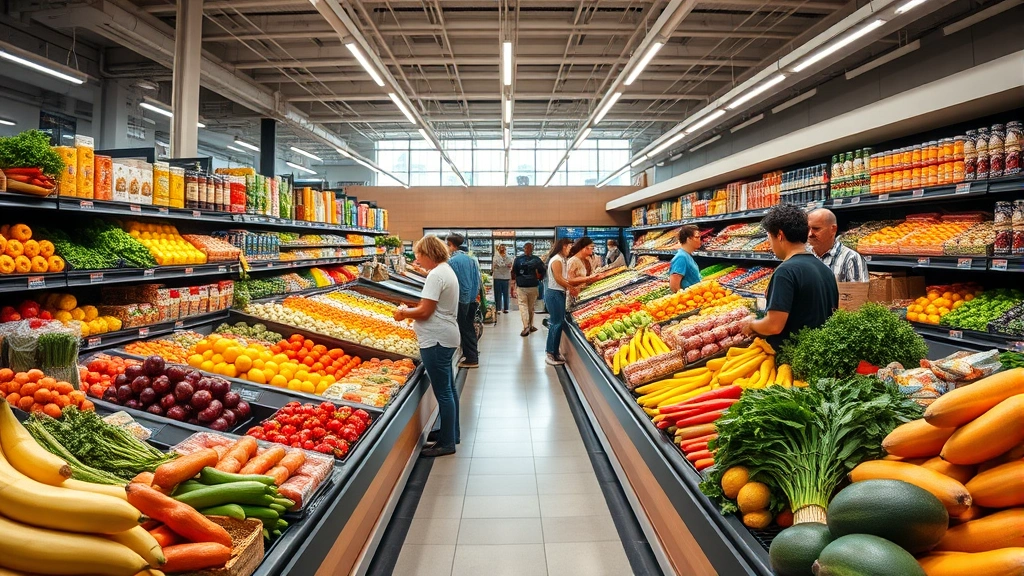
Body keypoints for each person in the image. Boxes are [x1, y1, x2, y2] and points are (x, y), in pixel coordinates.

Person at [393, 236, 460, 457]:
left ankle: (447, 443)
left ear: (429, 254)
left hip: (436, 339)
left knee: (443, 393)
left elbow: (425, 311)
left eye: (419, 254)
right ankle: (451, 433)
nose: (417, 259)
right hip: (446, 335)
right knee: (449, 388)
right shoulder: (446, 270)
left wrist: (403, 313)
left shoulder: (435, 275)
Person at [742, 205, 840, 350]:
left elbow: (773, 326)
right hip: (817, 353)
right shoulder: (825, 269)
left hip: (791, 361)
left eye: (769, 237)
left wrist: (751, 324)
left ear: (780, 235)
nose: (770, 244)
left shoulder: (785, 272)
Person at [445, 234, 480, 369]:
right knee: (469, 327)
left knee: (464, 328)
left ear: (451, 244)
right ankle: (472, 354)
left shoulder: (453, 262)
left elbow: (460, 283)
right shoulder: (470, 259)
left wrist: (462, 301)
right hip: (471, 299)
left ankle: (472, 358)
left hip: (462, 300)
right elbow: (476, 281)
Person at [807, 208, 869, 283]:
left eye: (816, 229)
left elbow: (859, 292)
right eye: (807, 229)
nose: (810, 234)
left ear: (833, 229)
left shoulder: (851, 258)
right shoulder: (803, 256)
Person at [543, 239, 573, 366]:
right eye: (570, 247)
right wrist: (570, 288)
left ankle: (554, 351)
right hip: (554, 294)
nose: (571, 249)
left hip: (557, 293)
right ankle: (550, 353)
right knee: (556, 323)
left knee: (558, 323)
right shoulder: (557, 260)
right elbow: (559, 278)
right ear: (564, 246)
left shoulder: (561, 259)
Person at [511, 242, 546, 337]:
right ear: (532, 249)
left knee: (523, 307)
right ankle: (530, 326)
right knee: (530, 307)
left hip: (522, 286)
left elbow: (513, 272)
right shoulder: (537, 260)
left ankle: (526, 326)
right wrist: (539, 278)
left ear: (524, 249)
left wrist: (513, 285)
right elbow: (543, 270)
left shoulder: (518, 260)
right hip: (533, 286)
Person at [565, 237, 603, 304]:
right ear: (585, 248)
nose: (593, 250)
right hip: (575, 297)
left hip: (585, 294)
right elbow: (569, 280)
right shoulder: (573, 261)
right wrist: (589, 278)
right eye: (592, 247)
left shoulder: (587, 259)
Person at [669, 225, 703, 292]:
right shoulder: (681, 257)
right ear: (688, 239)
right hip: (689, 300)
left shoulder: (687, 255)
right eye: (697, 237)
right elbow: (674, 287)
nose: (700, 240)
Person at [491, 244, 513, 314]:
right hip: (497, 276)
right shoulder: (495, 257)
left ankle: (506, 308)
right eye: (501, 248)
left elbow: (510, 265)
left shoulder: (509, 257)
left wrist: (502, 266)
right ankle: (498, 308)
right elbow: (495, 265)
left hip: (505, 277)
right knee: (498, 293)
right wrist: (505, 266)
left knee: (506, 293)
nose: (502, 249)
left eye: (503, 248)